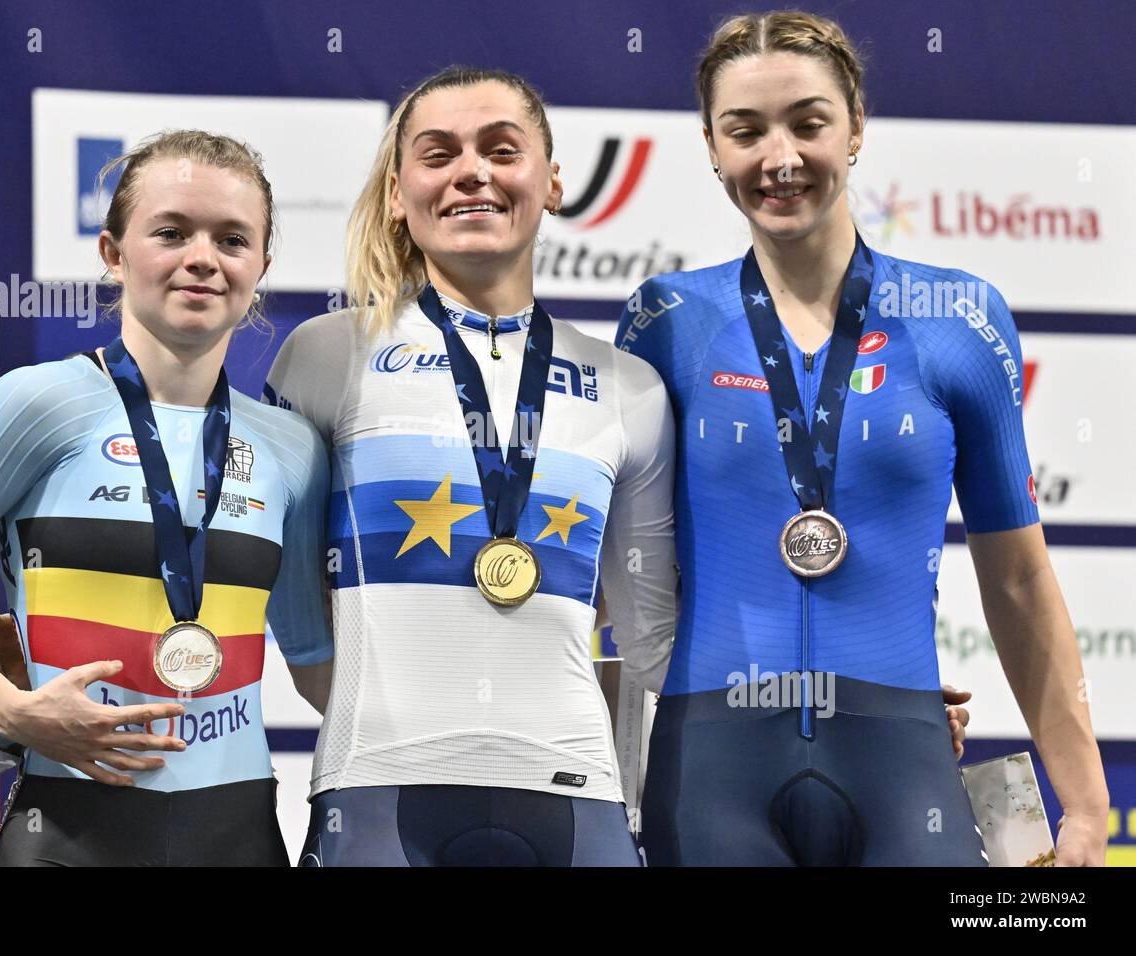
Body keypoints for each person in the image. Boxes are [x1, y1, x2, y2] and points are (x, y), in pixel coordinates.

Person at [616, 10, 1109, 866]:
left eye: (808, 123)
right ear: (709, 145)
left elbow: (1020, 580)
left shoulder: (958, 319)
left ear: (856, 129)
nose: (780, 158)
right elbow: (614, 574)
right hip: (711, 770)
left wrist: (1090, 805)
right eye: (746, 131)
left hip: (901, 759)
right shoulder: (666, 322)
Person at [0, 130, 331, 866]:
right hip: (66, 830)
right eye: (171, 232)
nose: (202, 257)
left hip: (238, 834)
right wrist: (13, 711)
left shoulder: (292, 448)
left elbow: (313, 659)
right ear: (113, 253)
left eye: (232, 239)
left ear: (261, 266)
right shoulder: (39, 404)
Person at [262, 67, 678, 866]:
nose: (472, 172)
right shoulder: (323, 355)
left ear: (552, 182)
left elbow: (655, 638)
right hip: (376, 788)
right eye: (439, 152)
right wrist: (359, 704)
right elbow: (285, 592)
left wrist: (826, 693)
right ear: (396, 192)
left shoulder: (629, 387)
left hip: (576, 796)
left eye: (501, 149)